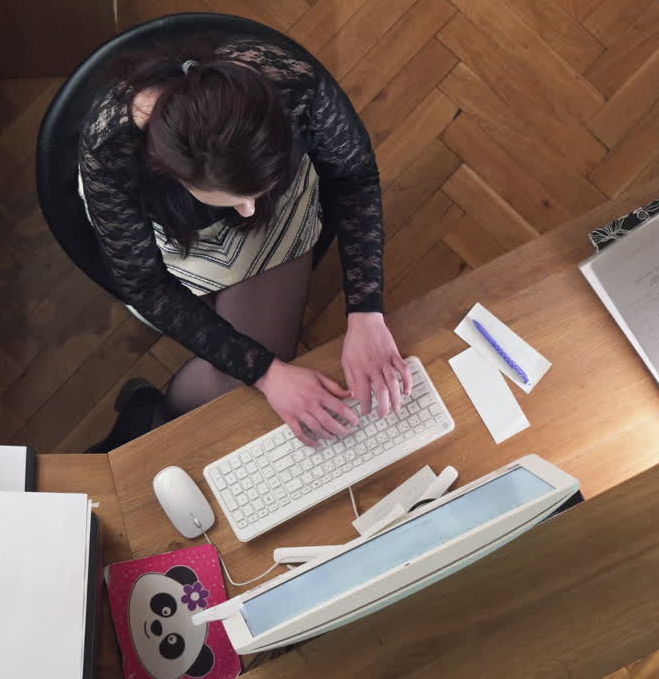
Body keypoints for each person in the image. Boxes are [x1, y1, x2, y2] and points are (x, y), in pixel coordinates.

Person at [77, 35, 411, 452]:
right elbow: (145, 284)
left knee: (241, 375)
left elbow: (355, 176)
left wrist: (366, 312)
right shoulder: (112, 148)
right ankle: (149, 415)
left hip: (281, 209)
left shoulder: (295, 85)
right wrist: (268, 373)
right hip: (170, 229)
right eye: (233, 200)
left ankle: (150, 412)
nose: (249, 212)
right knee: (247, 376)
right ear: (171, 171)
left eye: (254, 192)